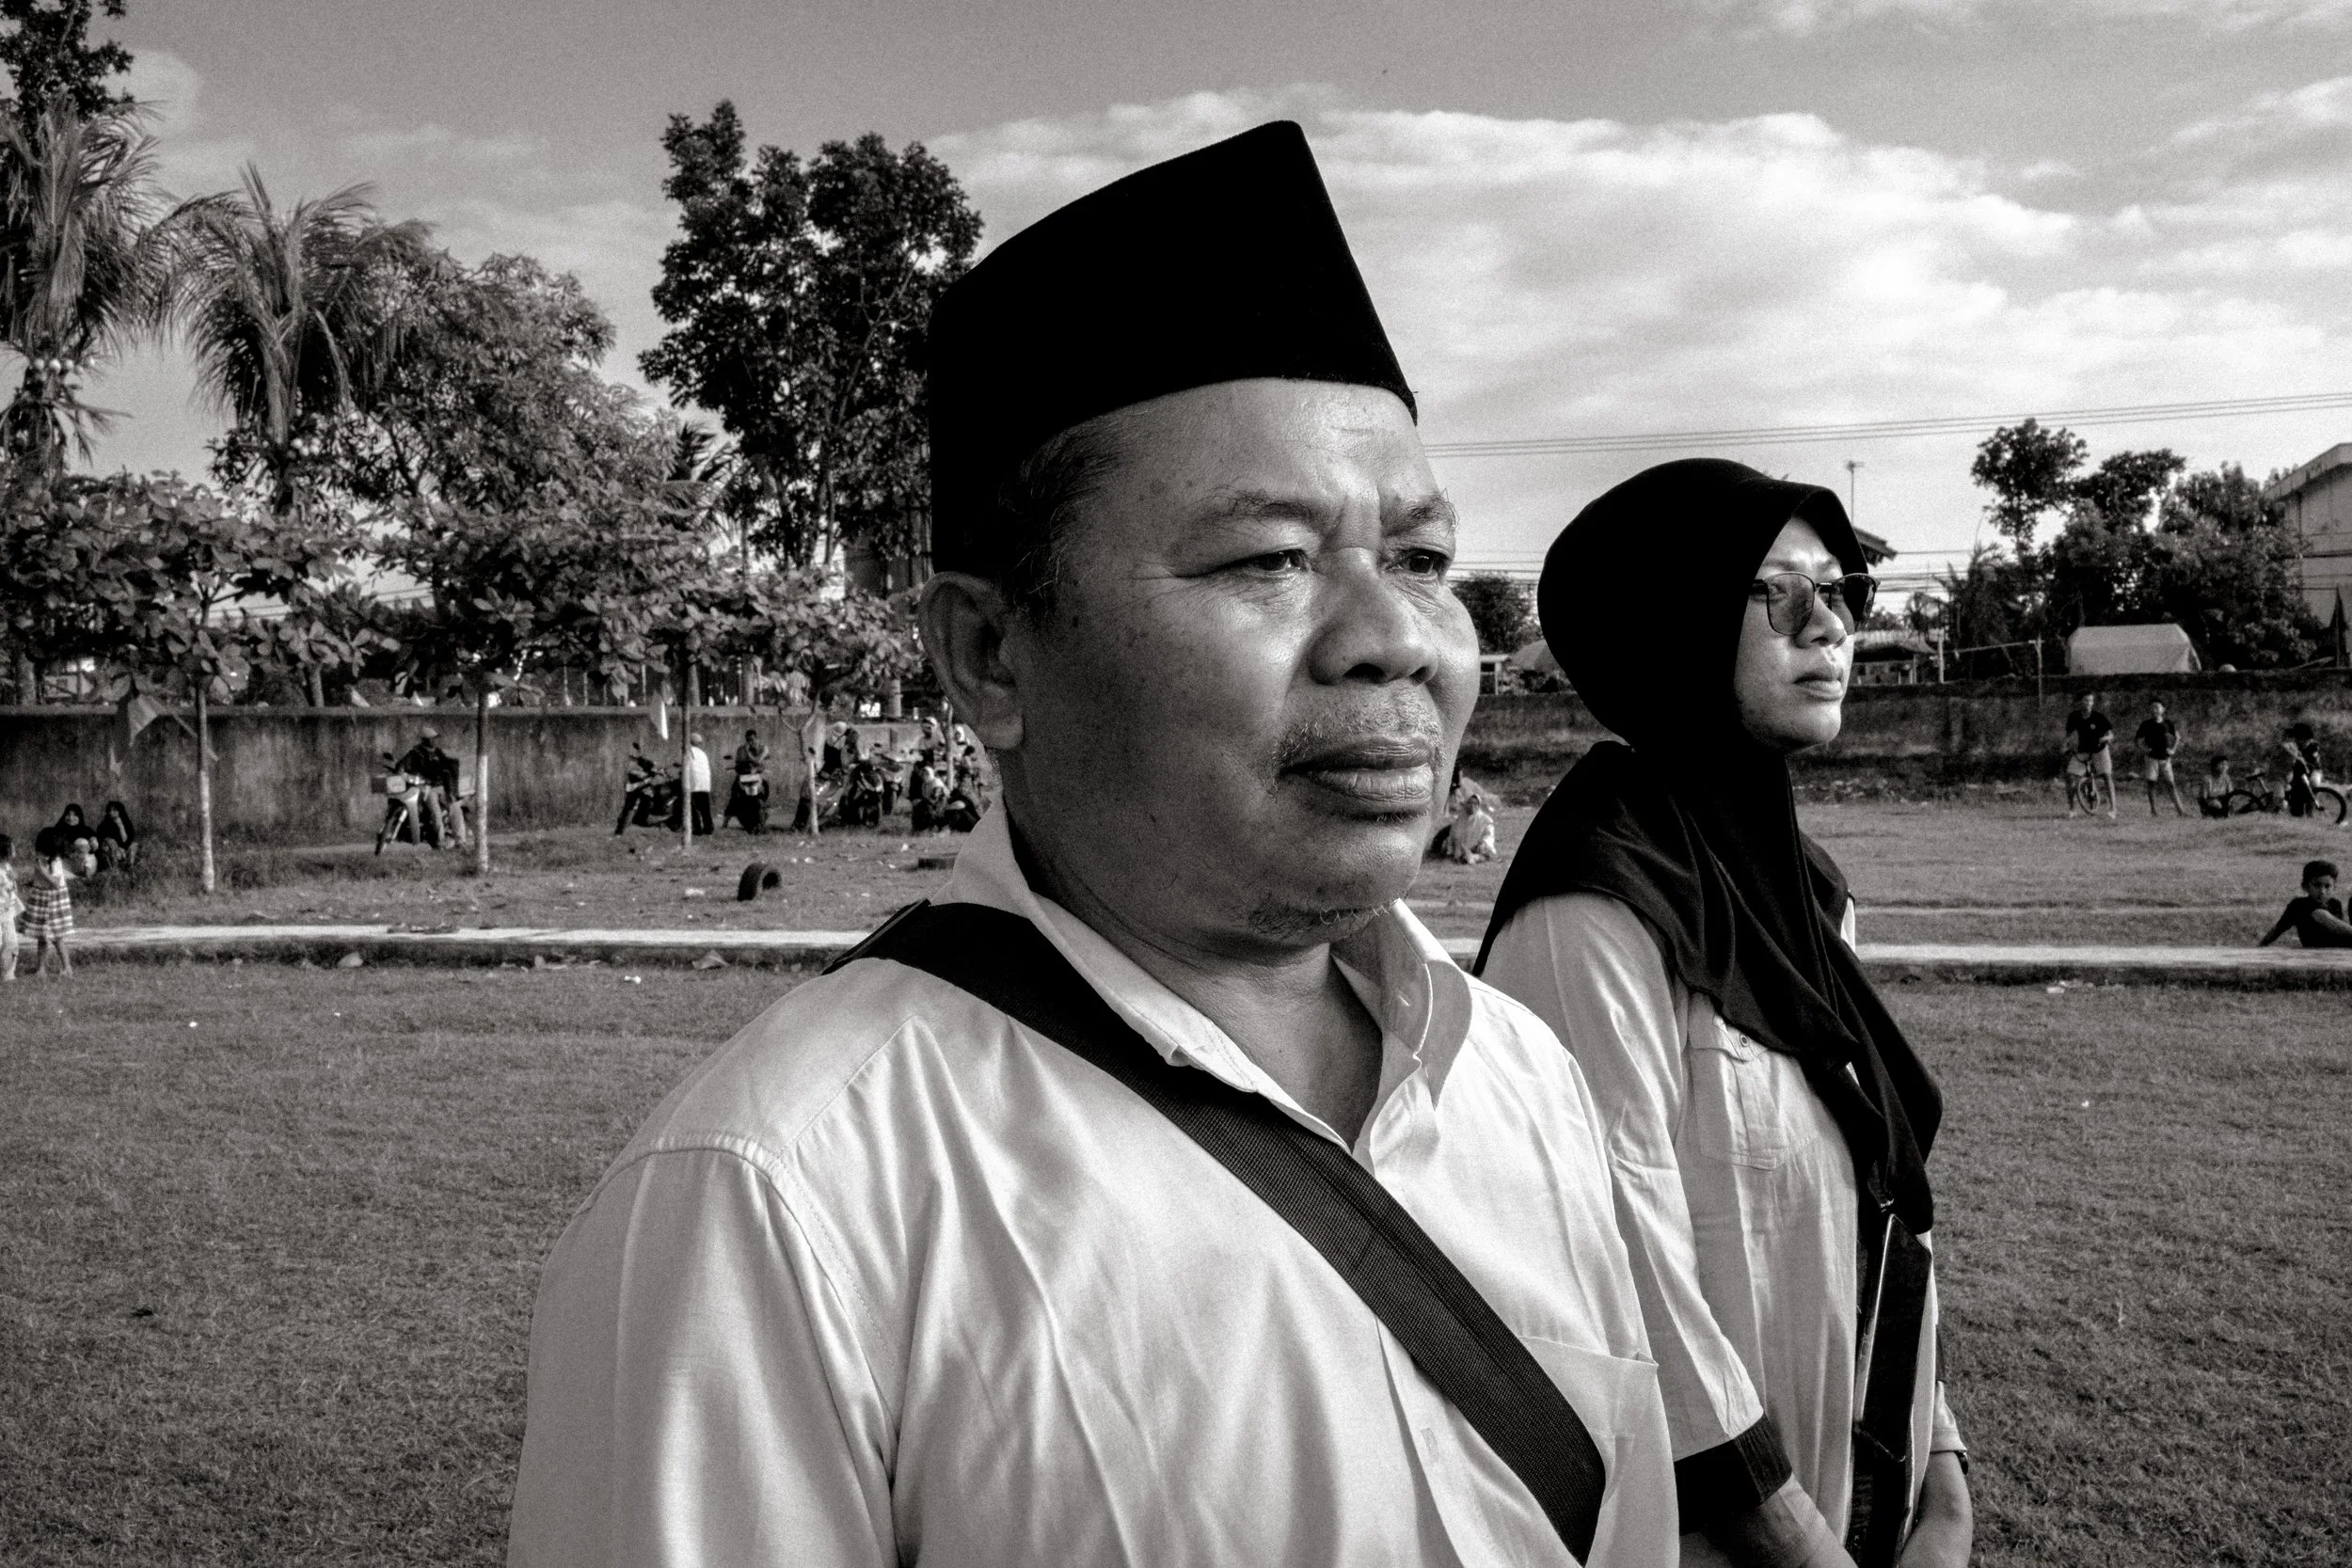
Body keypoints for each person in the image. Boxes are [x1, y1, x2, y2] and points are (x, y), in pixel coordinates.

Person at [511, 122, 1677, 1568]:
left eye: (1424, 559)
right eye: (1269, 560)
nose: (1400, 642)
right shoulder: (778, 1195)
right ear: (991, 653)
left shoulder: (1518, 1075)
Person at [1477, 460, 1971, 1568]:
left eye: (1839, 592)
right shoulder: (1595, 909)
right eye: (1779, 593)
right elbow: (1620, 1277)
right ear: (1672, 623)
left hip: (1873, 1498)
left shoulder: (1805, 895)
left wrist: (1939, 1468)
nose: (1828, 626)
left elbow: (1874, 1201)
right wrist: (1797, 1545)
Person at [2257, 859, 2352, 948]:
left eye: (2327, 886)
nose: (2322, 891)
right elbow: (2278, 929)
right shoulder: (2299, 905)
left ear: (2334, 887)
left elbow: (2340, 932)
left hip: (2338, 948)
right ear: (2305, 886)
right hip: (2318, 952)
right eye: (2317, 885)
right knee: (2322, 915)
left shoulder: (2335, 903)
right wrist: (2260, 947)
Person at [23, 826, 75, 978]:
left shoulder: (55, 863)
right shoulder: (42, 860)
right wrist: (33, 881)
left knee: (57, 937)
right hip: (41, 899)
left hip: (52, 903)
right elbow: (40, 879)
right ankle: (40, 969)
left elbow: (55, 883)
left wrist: (42, 871)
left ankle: (67, 968)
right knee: (41, 937)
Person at [395, 727, 461, 847]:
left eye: (435, 738)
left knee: (455, 808)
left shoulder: (438, 753)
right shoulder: (415, 753)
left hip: (441, 787)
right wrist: (402, 771)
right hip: (427, 788)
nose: (434, 741)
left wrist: (450, 790)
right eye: (432, 739)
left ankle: (461, 840)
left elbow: (447, 767)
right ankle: (441, 841)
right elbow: (401, 765)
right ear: (425, 740)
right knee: (435, 813)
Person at [2065, 690, 2116, 819]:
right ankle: (2072, 810)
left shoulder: (2098, 717)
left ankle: (2113, 809)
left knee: (2106, 776)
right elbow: (2069, 736)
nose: (2088, 703)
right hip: (2083, 750)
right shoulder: (2074, 717)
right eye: (2086, 700)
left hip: (2099, 750)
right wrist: (2066, 746)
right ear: (2080, 702)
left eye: (2091, 701)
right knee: (2070, 777)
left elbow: (2111, 735)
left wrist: (2104, 739)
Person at [2136, 701, 2184, 817]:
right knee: (2151, 783)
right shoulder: (2146, 724)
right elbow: (2138, 740)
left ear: (2163, 709)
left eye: (2157, 707)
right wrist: (2144, 750)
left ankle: (2180, 811)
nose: (2154, 710)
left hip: (2165, 759)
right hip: (2151, 758)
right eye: (2152, 708)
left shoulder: (2168, 723)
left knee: (2171, 784)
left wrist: (2173, 750)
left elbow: (2177, 737)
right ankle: (2154, 811)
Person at [613, 742, 662, 834]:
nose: (634, 755)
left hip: (643, 786)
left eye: (636, 751)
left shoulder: (644, 761)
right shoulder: (630, 764)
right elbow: (636, 775)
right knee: (628, 808)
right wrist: (649, 774)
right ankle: (619, 831)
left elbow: (653, 768)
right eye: (632, 753)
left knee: (649, 800)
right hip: (633, 788)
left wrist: (656, 770)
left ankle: (646, 819)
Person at [0, 832, 22, 983]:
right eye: (11, 846)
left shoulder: (6, 866)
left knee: (11, 943)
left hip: (7, 912)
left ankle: (8, 975)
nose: (14, 849)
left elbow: (14, 879)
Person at [683, 732, 713, 836]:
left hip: (694, 781)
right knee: (705, 807)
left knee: (693, 806)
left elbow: (686, 766)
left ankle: (697, 828)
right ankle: (709, 828)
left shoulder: (688, 752)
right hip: (705, 782)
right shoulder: (702, 753)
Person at [94, 800, 139, 870]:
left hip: (125, 846)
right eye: (110, 810)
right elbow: (101, 837)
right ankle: (115, 869)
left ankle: (130, 867)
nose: (111, 813)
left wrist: (124, 847)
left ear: (120, 811)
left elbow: (131, 835)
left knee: (134, 846)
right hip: (114, 848)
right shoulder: (105, 823)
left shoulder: (126, 821)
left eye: (114, 810)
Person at [2198, 753, 2234, 818]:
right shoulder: (2207, 779)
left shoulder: (2226, 778)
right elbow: (2203, 798)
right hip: (2211, 802)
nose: (2224, 767)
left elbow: (2230, 793)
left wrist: (2229, 802)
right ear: (2214, 766)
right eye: (2222, 764)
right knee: (2216, 805)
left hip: (2223, 801)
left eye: (2226, 765)